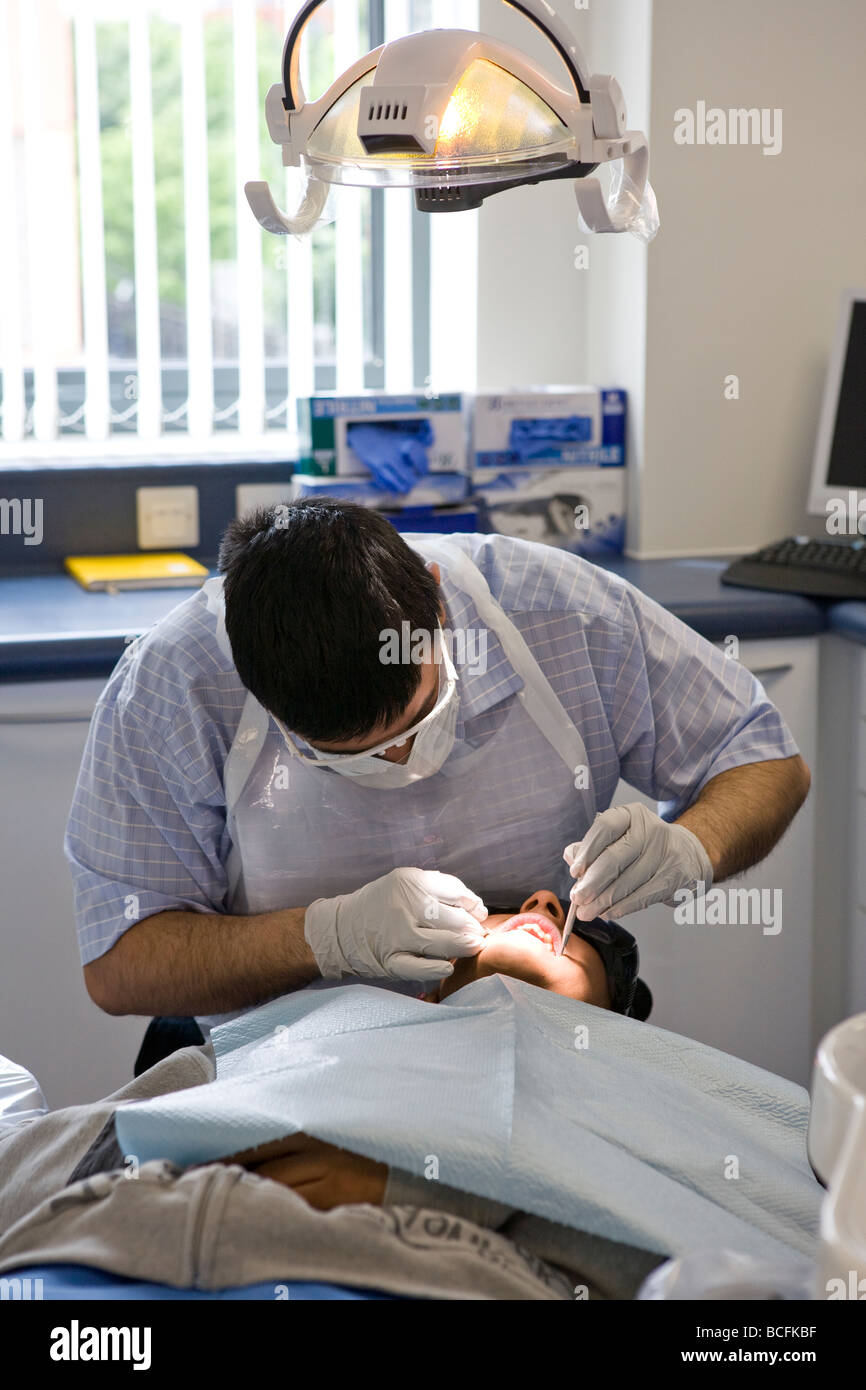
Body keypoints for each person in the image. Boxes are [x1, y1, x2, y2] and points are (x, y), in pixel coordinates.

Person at [66, 501, 810, 1041]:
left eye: (419, 721)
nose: (400, 763)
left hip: (553, 1074)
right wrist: (324, 938)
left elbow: (763, 757)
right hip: (274, 1067)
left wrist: (692, 848)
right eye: (344, 757)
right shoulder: (174, 684)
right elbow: (120, 963)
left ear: (437, 601)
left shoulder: (563, 614)